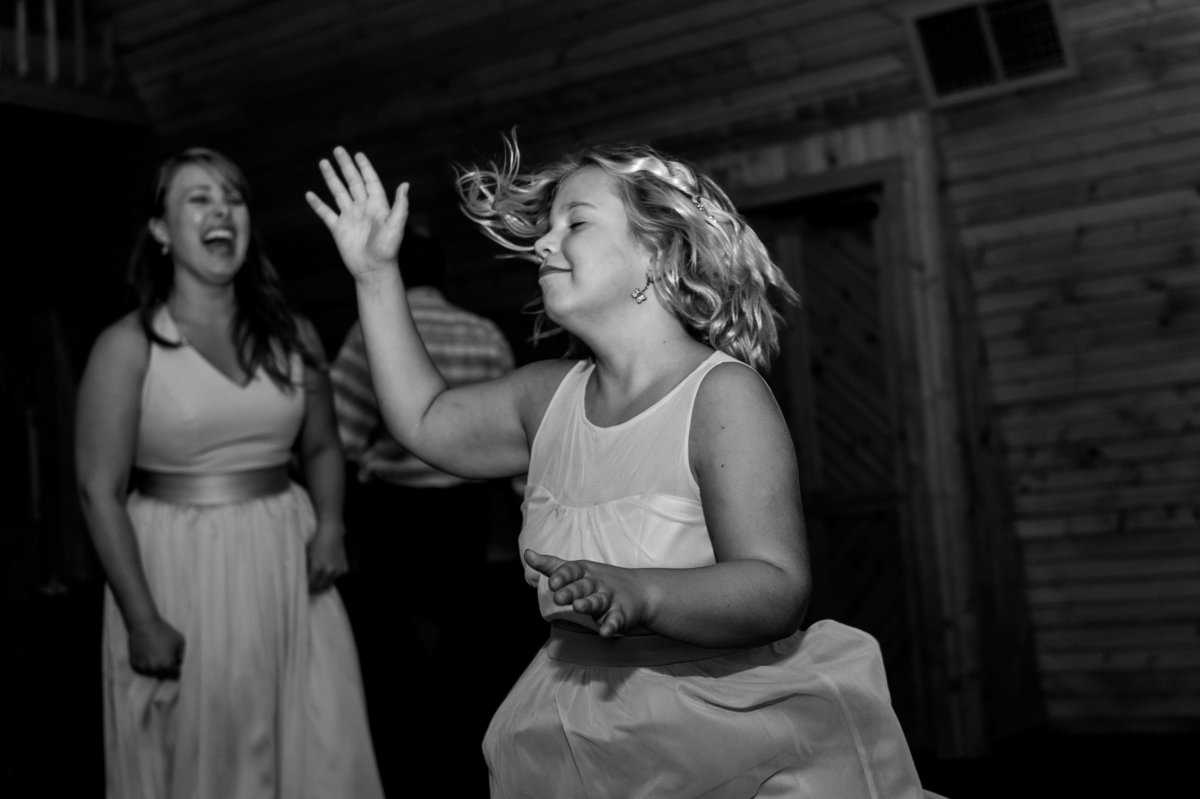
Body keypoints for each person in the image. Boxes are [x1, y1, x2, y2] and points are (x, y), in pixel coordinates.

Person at [305, 136, 926, 797]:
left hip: (711, 729)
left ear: (655, 255)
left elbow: (776, 587)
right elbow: (424, 417)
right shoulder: (546, 396)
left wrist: (643, 593)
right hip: (571, 721)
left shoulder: (720, 395)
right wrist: (375, 274)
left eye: (574, 223)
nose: (543, 244)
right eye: (545, 229)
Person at [76, 147, 384, 799]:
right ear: (160, 231)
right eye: (199, 198)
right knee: (205, 751)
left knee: (313, 737)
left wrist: (330, 524)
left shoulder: (295, 335)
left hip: (286, 558)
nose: (222, 210)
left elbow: (324, 447)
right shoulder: (126, 345)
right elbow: (97, 489)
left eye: (234, 198)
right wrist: (140, 618)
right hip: (175, 562)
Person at [330, 215, 515, 793]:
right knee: (467, 650)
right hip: (468, 514)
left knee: (399, 655)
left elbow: (340, 433)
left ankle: (414, 772)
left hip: (396, 514)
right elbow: (515, 452)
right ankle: (469, 769)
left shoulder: (370, 337)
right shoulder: (483, 332)